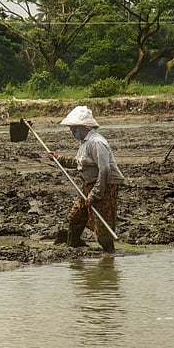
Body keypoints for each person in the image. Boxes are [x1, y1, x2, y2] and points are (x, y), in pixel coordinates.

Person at [48, 106, 125, 254]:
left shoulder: (96, 143)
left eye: (73, 128)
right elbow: (79, 163)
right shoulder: (84, 142)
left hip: (104, 186)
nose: (71, 132)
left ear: (82, 127)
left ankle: (109, 256)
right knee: (75, 217)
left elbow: (105, 170)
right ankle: (72, 247)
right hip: (88, 185)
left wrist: (95, 194)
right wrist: (59, 159)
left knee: (103, 226)